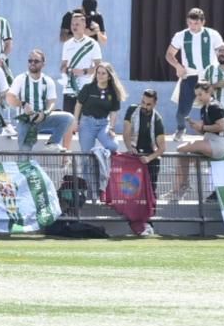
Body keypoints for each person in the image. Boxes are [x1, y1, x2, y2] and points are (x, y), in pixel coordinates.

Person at [165, 8, 224, 139]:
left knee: (214, 106)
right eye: (190, 23)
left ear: (203, 22)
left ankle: (214, 132)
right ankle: (181, 129)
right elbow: (169, 54)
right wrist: (178, 66)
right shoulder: (181, 35)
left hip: (208, 76)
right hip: (190, 75)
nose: (193, 26)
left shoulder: (213, 35)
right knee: (182, 110)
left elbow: (222, 55)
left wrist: (220, 72)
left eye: (196, 23)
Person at [6, 49, 73, 154]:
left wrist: (45, 113)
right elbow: (9, 98)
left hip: (42, 118)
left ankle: (52, 143)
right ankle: (24, 166)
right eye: (30, 61)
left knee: (68, 118)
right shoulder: (21, 79)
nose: (32, 63)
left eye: (36, 61)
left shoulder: (48, 81)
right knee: (24, 154)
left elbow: (52, 101)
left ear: (43, 64)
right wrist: (23, 104)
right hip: (26, 120)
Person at [74, 61, 127, 195]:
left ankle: (99, 155)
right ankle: (89, 192)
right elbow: (78, 104)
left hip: (103, 124)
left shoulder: (113, 93)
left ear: (109, 76)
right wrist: (76, 121)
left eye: (103, 73)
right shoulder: (88, 88)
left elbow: (114, 112)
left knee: (113, 145)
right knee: (86, 158)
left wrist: (112, 128)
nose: (100, 75)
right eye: (98, 73)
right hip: (87, 123)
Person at [170, 82, 224, 201]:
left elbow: (221, 126)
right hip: (209, 140)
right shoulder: (204, 108)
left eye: (200, 94)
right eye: (197, 95)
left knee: (181, 149)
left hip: (218, 144)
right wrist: (197, 127)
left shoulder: (214, 106)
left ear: (208, 92)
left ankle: (184, 184)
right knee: (183, 156)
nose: (198, 98)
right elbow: (206, 130)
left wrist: (202, 128)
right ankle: (180, 187)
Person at [59, 11, 103, 150]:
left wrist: (83, 71)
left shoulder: (92, 44)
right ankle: (65, 157)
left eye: (77, 24)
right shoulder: (67, 44)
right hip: (69, 87)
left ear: (84, 25)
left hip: (86, 89)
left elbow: (98, 67)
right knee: (67, 122)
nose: (74, 27)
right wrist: (65, 69)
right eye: (73, 24)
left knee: (85, 124)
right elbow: (63, 64)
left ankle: (86, 154)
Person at [121, 89, 169, 191]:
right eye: (143, 102)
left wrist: (149, 158)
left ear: (155, 104)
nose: (144, 106)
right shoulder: (132, 110)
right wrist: (130, 148)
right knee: (129, 190)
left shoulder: (157, 119)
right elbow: (126, 133)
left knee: (150, 191)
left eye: (148, 104)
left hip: (151, 157)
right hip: (134, 154)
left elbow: (162, 148)